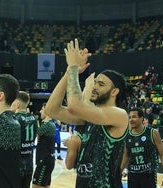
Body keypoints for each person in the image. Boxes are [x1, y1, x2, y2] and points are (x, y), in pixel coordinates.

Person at [45, 39, 129, 187]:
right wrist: (69, 72)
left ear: (114, 92)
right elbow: (51, 109)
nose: (94, 86)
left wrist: (73, 67)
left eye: (101, 84)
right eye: (95, 82)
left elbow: (74, 105)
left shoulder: (119, 115)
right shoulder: (89, 118)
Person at [121, 107, 163, 188]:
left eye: (134, 117)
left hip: (148, 175)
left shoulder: (152, 133)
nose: (131, 119)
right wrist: (119, 171)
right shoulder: (127, 135)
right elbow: (126, 155)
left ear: (141, 118)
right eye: (129, 117)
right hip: (132, 175)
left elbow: (162, 154)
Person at [11, 91, 38, 188]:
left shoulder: (14, 119)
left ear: (17, 104)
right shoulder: (34, 119)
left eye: (12, 102)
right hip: (29, 162)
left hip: (16, 163)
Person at [32, 103, 56, 188]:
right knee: (45, 185)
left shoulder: (47, 125)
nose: (40, 111)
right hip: (48, 161)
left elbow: (34, 134)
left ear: (47, 111)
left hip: (44, 162)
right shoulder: (50, 124)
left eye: (42, 109)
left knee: (35, 186)